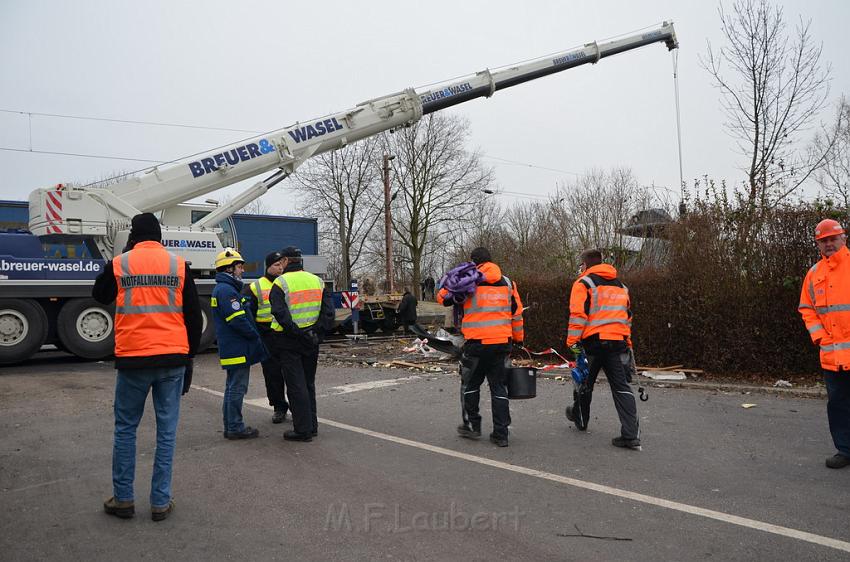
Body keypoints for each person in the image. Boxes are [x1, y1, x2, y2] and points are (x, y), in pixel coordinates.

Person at [92, 212, 202, 521]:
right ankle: (160, 502)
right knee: (166, 433)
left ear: (132, 237)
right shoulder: (178, 265)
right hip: (172, 359)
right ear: (160, 236)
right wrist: (190, 357)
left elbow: (99, 295)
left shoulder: (120, 263)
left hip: (133, 359)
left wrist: (119, 257)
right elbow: (192, 317)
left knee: (126, 429)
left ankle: (124, 499)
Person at [438, 247, 524, 447]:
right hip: (502, 344)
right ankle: (501, 434)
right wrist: (518, 339)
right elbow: (516, 314)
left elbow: (442, 298)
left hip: (476, 345)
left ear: (474, 263)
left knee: (470, 385)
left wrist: (458, 276)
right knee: (499, 388)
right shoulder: (509, 283)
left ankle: (472, 426)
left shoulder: (469, 280)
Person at [565, 249, 640, 450]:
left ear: (586, 265)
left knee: (583, 382)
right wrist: (629, 343)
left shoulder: (583, 283)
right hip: (617, 343)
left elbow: (578, 315)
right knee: (621, 387)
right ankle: (631, 434)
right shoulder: (621, 287)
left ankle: (581, 419)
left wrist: (572, 342)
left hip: (593, 343)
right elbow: (627, 317)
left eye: (581, 264)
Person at [798, 218, 850, 469]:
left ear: (844, 238)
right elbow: (806, 309)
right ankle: (845, 450)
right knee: (838, 406)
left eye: (833, 239)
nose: (829, 244)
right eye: (824, 240)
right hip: (831, 357)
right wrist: (819, 336)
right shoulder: (814, 274)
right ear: (818, 244)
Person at [269, 246, 335, 442]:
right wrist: (314, 332)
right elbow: (329, 314)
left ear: (287, 262)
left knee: (296, 386)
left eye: (281, 262)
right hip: (311, 341)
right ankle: (312, 426)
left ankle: (302, 430)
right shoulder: (318, 281)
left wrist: (297, 333)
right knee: (308, 383)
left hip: (289, 341)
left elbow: (280, 314)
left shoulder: (280, 283)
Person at [211, 248, 268, 440]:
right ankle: (235, 426)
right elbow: (237, 320)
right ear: (229, 269)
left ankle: (232, 425)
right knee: (237, 388)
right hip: (237, 348)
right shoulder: (227, 290)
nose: (242, 270)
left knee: (232, 386)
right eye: (239, 267)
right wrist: (254, 335)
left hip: (232, 347)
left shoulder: (224, 289)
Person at [243, 251, 289, 424]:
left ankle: (295, 405)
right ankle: (279, 407)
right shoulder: (255, 287)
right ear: (268, 266)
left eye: (281, 265)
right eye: (276, 265)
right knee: (272, 374)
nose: (280, 268)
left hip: (285, 333)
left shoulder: (286, 282)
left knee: (291, 373)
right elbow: (248, 314)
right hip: (267, 335)